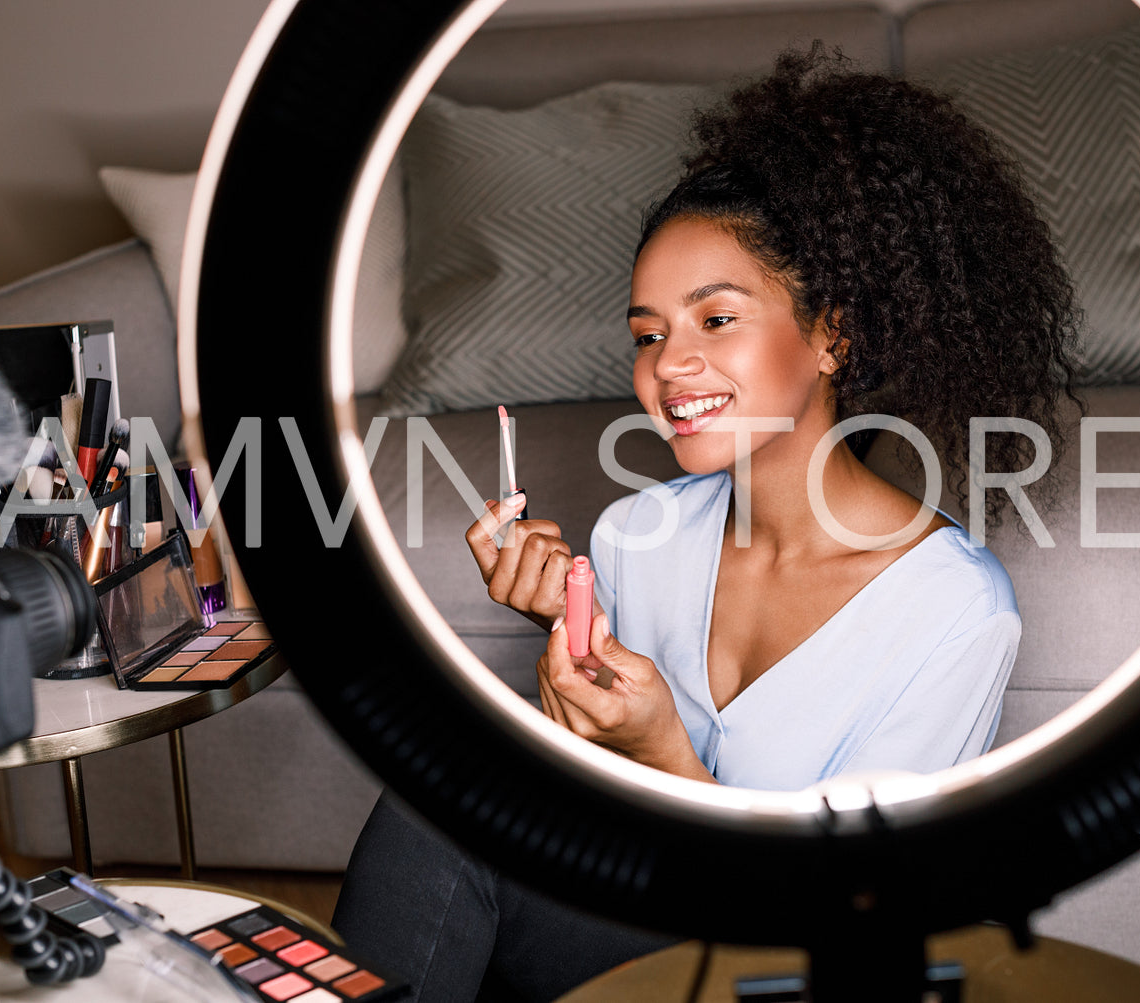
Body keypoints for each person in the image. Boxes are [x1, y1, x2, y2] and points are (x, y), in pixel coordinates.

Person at [333, 45, 1082, 1000]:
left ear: (831, 335)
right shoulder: (635, 537)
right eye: (649, 335)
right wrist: (564, 627)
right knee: (443, 790)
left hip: (794, 966)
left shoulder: (955, 611)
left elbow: (847, 911)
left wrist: (666, 755)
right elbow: (604, 802)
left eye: (714, 320)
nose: (668, 368)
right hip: (644, 925)